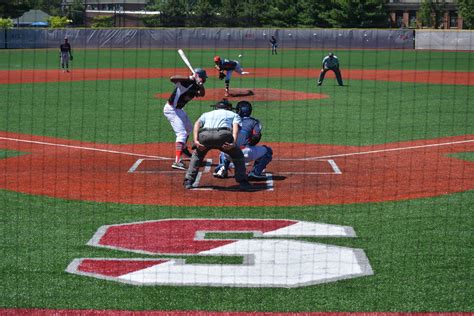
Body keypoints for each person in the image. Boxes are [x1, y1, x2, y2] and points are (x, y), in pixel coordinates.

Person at [184, 99, 253, 191]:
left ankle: (188, 180)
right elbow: (236, 128)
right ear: (228, 108)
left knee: (197, 155)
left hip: (205, 136)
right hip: (223, 136)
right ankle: (243, 182)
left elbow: (197, 124)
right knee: (238, 155)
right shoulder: (233, 114)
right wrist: (233, 143)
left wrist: (196, 140)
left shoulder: (206, 114)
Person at [213, 101, 272, 181]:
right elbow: (256, 136)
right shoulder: (254, 122)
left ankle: (222, 169)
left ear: (239, 110)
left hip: (230, 154)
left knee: (224, 146)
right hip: (247, 153)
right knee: (268, 151)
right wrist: (250, 143)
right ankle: (256, 172)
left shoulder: (231, 119)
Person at [163, 68, 207, 170]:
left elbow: (202, 94)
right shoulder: (186, 82)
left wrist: (200, 84)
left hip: (179, 110)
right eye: (204, 78)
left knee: (189, 128)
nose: (205, 80)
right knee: (181, 134)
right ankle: (177, 161)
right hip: (171, 109)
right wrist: (190, 78)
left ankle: (183, 149)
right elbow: (172, 78)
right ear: (199, 76)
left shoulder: (196, 85)